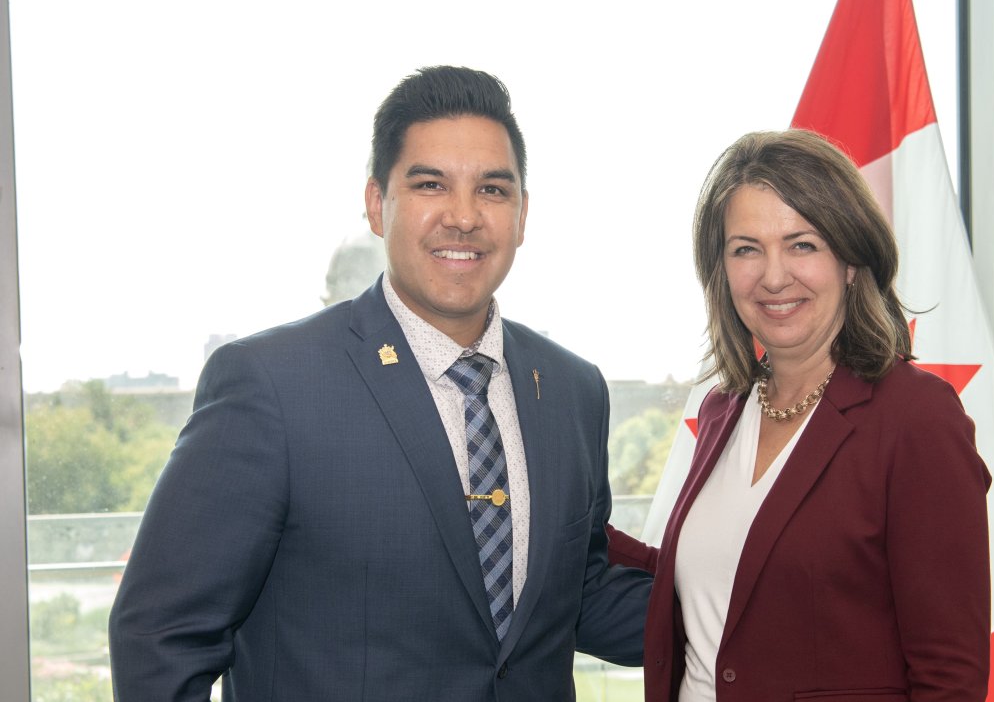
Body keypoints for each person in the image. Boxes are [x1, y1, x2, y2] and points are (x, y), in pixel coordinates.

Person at [109, 65, 651, 701]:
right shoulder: (271, 386)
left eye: (493, 190)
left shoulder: (570, 390)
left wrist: (763, 603)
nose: (464, 217)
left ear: (523, 214)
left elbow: (573, 594)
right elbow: (160, 634)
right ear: (376, 203)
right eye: (430, 184)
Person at [608, 129, 991, 701]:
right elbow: (724, 578)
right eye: (746, 249)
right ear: (721, 272)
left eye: (802, 244)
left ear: (852, 260)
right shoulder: (723, 410)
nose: (773, 275)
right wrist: (562, 521)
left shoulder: (916, 417)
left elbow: (949, 676)